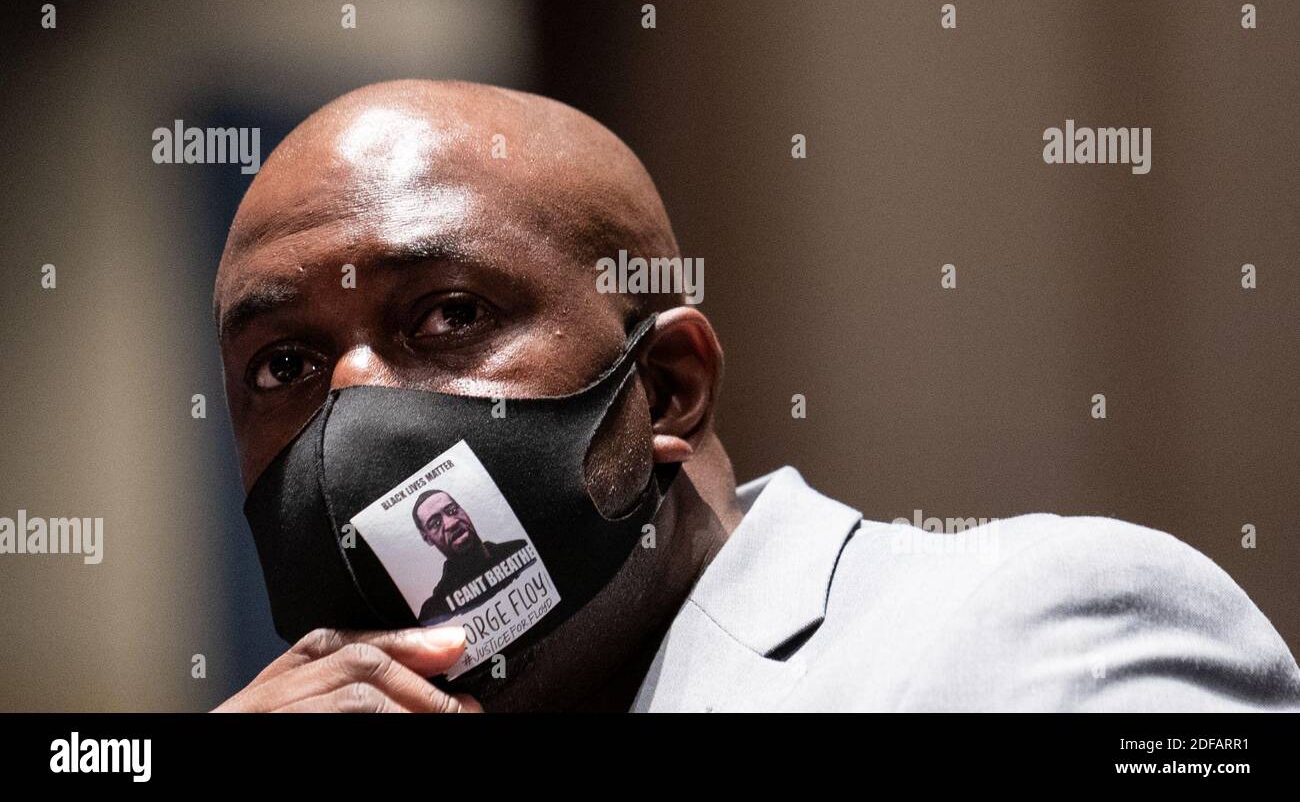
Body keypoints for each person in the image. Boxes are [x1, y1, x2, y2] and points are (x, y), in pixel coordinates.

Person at [211, 80, 1300, 712]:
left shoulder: (1047, 624)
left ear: (668, 386)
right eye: (283, 366)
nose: (351, 404)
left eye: (449, 315)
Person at [410, 489, 530, 623]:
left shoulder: (520, 549)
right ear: (427, 538)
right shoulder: (435, 610)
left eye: (452, 510)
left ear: (464, 510)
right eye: (435, 523)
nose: (451, 523)